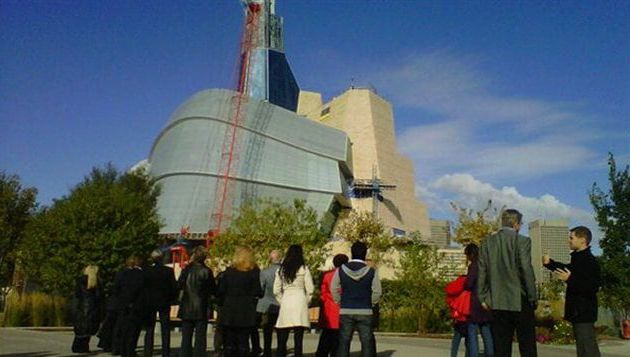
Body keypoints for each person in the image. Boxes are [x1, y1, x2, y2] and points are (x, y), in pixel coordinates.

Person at [478, 209, 537, 357]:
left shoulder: (487, 242)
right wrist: (532, 296)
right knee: (527, 345)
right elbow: (526, 269)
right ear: (516, 224)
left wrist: (482, 297)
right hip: (520, 298)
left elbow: (482, 270)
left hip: (497, 300)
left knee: (501, 346)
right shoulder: (522, 241)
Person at [543, 226, 601, 357]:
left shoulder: (590, 261)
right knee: (584, 349)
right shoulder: (578, 258)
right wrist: (549, 263)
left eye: (571, 238)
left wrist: (570, 279)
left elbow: (592, 287)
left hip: (584, 313)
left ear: (582, 240)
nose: (568, 240)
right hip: (578, 313)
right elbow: (566, 269)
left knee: (587, 350)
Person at [331, 241, 382, 357]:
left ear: (351, 253)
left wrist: (340, 301)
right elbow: (377, 291)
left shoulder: (341, 270)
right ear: (365, 253)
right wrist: (371, 303)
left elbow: (333, 288)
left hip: (346, 310)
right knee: (367, 343)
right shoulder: (371, 271)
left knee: (343, 342)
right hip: (365, 311)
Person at [218, 246, 262, 357]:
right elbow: (258, 292)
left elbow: (221, 290)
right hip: (246, 310)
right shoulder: (253, 273)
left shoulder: (228, 272)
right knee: (243, 341)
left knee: (230, 342)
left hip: (230, 310)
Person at [274, 244, 314, 357]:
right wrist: (306, 301)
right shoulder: (304, 269)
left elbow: (276, 290)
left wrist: (282, 301)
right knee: (298, 337)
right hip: (300, 300)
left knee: (282, 336)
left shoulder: (281, 270)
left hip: (286, 300)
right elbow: (310, 289)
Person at [178, 246, 216, 357]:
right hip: (202, 306)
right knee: (200, 337)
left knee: (186, 337)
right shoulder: (207, 271)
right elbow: (212, 289)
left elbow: (179, 284)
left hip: (187, 305)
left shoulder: (186, 270)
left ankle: (185, 354)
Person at [143, 249, 177, 357]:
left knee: (149, 328)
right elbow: (173, 287)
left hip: (150, 302)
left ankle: (148, 351)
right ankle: (166, 352)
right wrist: (172, 299)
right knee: (165, 328)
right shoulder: (168, 271)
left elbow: (144, 287)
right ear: (162, 258)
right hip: (164, 301)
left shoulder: (147, 271)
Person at [316, 254, 349, 357]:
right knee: (339, 339)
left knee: (325, 337)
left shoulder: (327, 275)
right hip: (341, 309)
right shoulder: (347, 276)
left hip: (328, 309)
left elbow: (323, 292)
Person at [464, 244, 493, 357]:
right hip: (487, 303)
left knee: (472, 332)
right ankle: (490, 354)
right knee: (486, 331)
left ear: (470, 254)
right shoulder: (487, 264)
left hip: (475, 303)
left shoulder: (474, 266)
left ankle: (474, 354)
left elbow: (469, 284)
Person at [113, 255, 146, 357]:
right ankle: (130, 350)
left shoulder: (120, 274)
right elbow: (141, 290)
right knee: (133, 330)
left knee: (122, 328)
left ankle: (120, 348)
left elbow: (116, 290)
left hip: (123, 305)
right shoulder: (140, 274)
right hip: (135, 306)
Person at [252, 250, 282, 357]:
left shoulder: (264, 272)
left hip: (266, 305)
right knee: (281, 331)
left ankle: (267, 351)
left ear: (270, 259)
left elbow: (261, 289)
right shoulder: (285, 271)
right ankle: (280, 351)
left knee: (267, 331)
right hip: (281, 304)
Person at [72, 265, 103, 353]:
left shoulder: (80, 282)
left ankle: (78, 347)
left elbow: (77, 295)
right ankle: (83, 347)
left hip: (81, 309)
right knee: (88, 331)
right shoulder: (97, 284)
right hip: (92, 310)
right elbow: (100, 297)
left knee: (80, 331)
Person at [445, 274, 471, 357]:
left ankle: (453, 355)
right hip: (469, 315)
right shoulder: (471, 283)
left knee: (456, 339)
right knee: (469, 340)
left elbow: (449, 293)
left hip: (458, 316)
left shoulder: (458, 283)